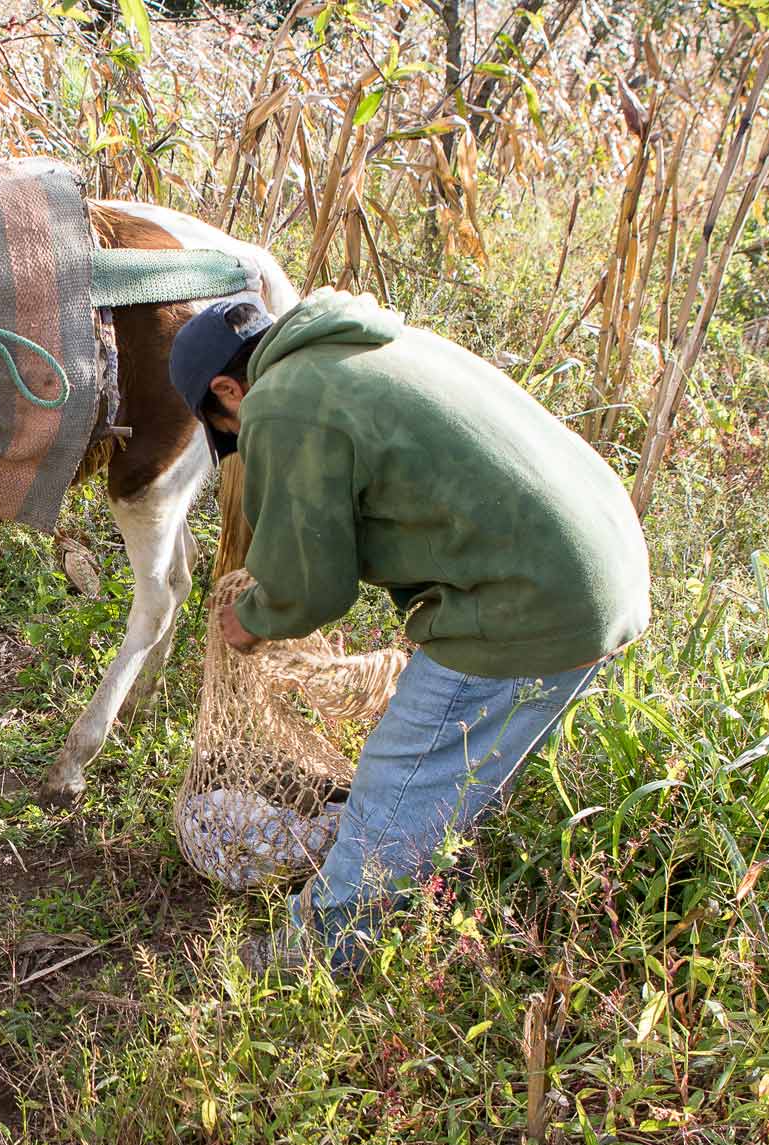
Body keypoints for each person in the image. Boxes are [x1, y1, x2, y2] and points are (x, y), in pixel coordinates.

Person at [168, 289, 651, 974]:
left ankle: (316, 955)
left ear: (227, 389)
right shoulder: (366, 344)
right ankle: (445, 894)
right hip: (607, 564)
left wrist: (249, 619)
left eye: (227, 427)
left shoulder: (280, 398)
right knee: (456, 765)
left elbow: (311, 584)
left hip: (534, 599)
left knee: (402, 775)